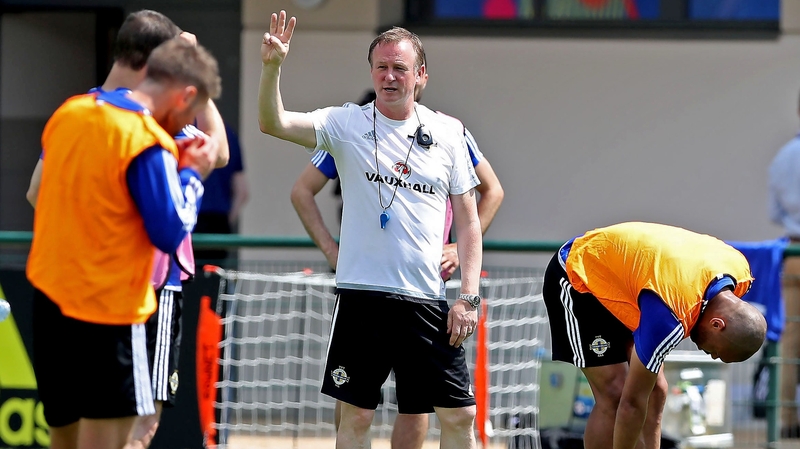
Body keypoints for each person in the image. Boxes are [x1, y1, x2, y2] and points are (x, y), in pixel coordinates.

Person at [258, 11, 483, 449]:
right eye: (381, 67)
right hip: (362, 298)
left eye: (400, 68)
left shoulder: (448, 133)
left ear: (421, 76)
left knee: (460, 416)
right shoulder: (346, 124)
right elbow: (274, 122)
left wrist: (468, 297)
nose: (390, 76)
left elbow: (470, 221)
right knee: (356, 417)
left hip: (427, 300)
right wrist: (272, 68)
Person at [25, 10, 229, 444]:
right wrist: (192, 175)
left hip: (49, 299)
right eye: (191, 108)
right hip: (109, 311)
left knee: (64, 438)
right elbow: (170, 231)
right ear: (184, 94)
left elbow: (37, 194)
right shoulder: (146, 141)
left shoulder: (70, 112)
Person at [542, 221, 767, 449]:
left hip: (634, 287)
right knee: (616, 394)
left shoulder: (740, 275)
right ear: (718, 324)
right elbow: (631, 404)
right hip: (580, 277)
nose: (711, 356)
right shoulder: (670, 315)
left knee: (656, 389)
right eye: (717, 352)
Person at [768, 110, 800, 438]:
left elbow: (773, 212)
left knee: (790, 339)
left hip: (794, 252)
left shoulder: (784, 157)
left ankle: (787, 421)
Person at [193, 123, 250, 266]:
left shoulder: (182, 131)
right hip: (219, 222)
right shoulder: (228, 136)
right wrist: (227, 220)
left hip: (189, 220)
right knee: (214, 280)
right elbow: (242, 191)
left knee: (184, 279)